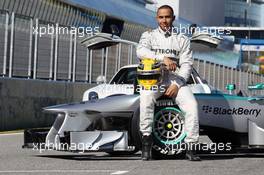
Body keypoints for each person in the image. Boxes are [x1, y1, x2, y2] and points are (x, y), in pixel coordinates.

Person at [136, 5, 200, 161]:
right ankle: (146, 143)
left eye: (167, 17)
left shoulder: (182, 39)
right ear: (157, 18)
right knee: (145, 100)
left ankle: (191, 147)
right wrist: (162, 58)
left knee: (192, 105)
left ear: (173, 18)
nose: (164, 20)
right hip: (153, 79)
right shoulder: (148, 35)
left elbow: (187, 65)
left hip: (175, 79)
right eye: (161, 17)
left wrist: (177, 84)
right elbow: (140, 52)